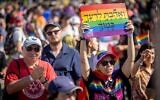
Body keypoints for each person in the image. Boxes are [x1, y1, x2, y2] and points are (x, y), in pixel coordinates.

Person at [80, 21, 135, 99]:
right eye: (105, 63)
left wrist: (130, 35)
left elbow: (131, 59)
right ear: (97, 66)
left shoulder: (119, 76)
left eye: (112, 62)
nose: (109, 65)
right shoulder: (92, 79)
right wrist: (82, 38)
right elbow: (83, 61)